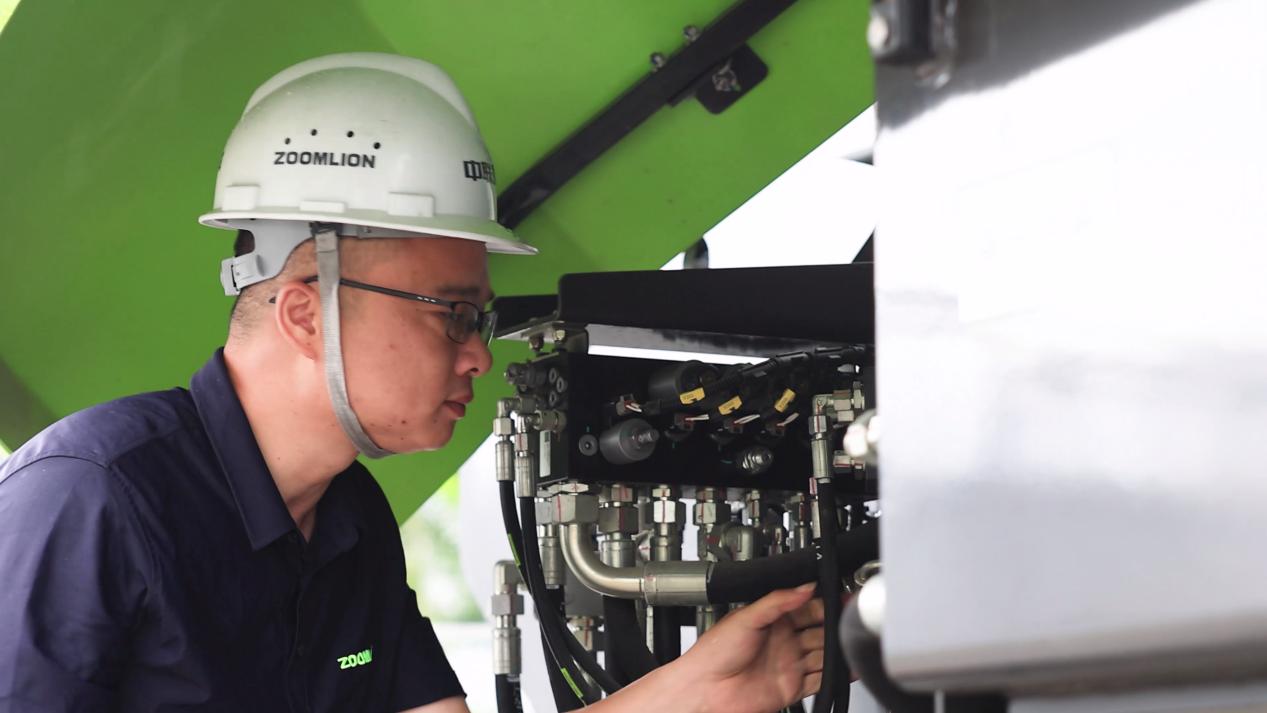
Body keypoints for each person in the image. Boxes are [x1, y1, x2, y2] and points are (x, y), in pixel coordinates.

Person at [0, 53, 827, 712]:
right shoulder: (92, 497)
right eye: (453, 313)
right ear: (306, 313)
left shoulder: (350, 518)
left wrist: (697, 691)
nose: (479, 357)